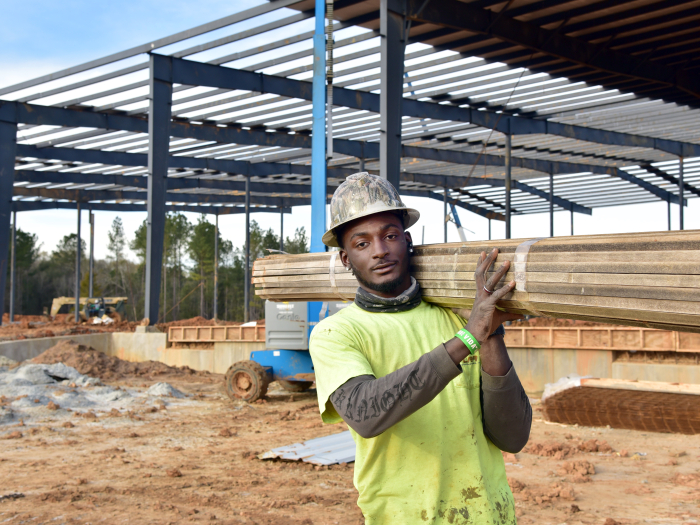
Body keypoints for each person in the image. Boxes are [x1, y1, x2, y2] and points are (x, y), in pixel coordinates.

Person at [309, 172, 532, 525]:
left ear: (408, 240)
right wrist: (469, 338)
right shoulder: (337, 333)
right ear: (345, 259)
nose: (380, 250)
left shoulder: (459, 317)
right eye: (362, 243)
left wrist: (489, 335)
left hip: (488, 515)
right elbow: (367, 416)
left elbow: (513, 436)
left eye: (390, 235)